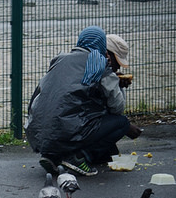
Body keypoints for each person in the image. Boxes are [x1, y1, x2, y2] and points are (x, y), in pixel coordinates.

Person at [25, 26, 142, 177]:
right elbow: (117, 108)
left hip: (37, 134)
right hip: (66, 130)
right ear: (104, 50)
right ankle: (77, 157)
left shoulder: (59, 59)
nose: (118, 66)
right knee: (122, 123)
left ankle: (54, 156)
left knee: (105, 148)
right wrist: (118, 85)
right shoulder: (100, 65)